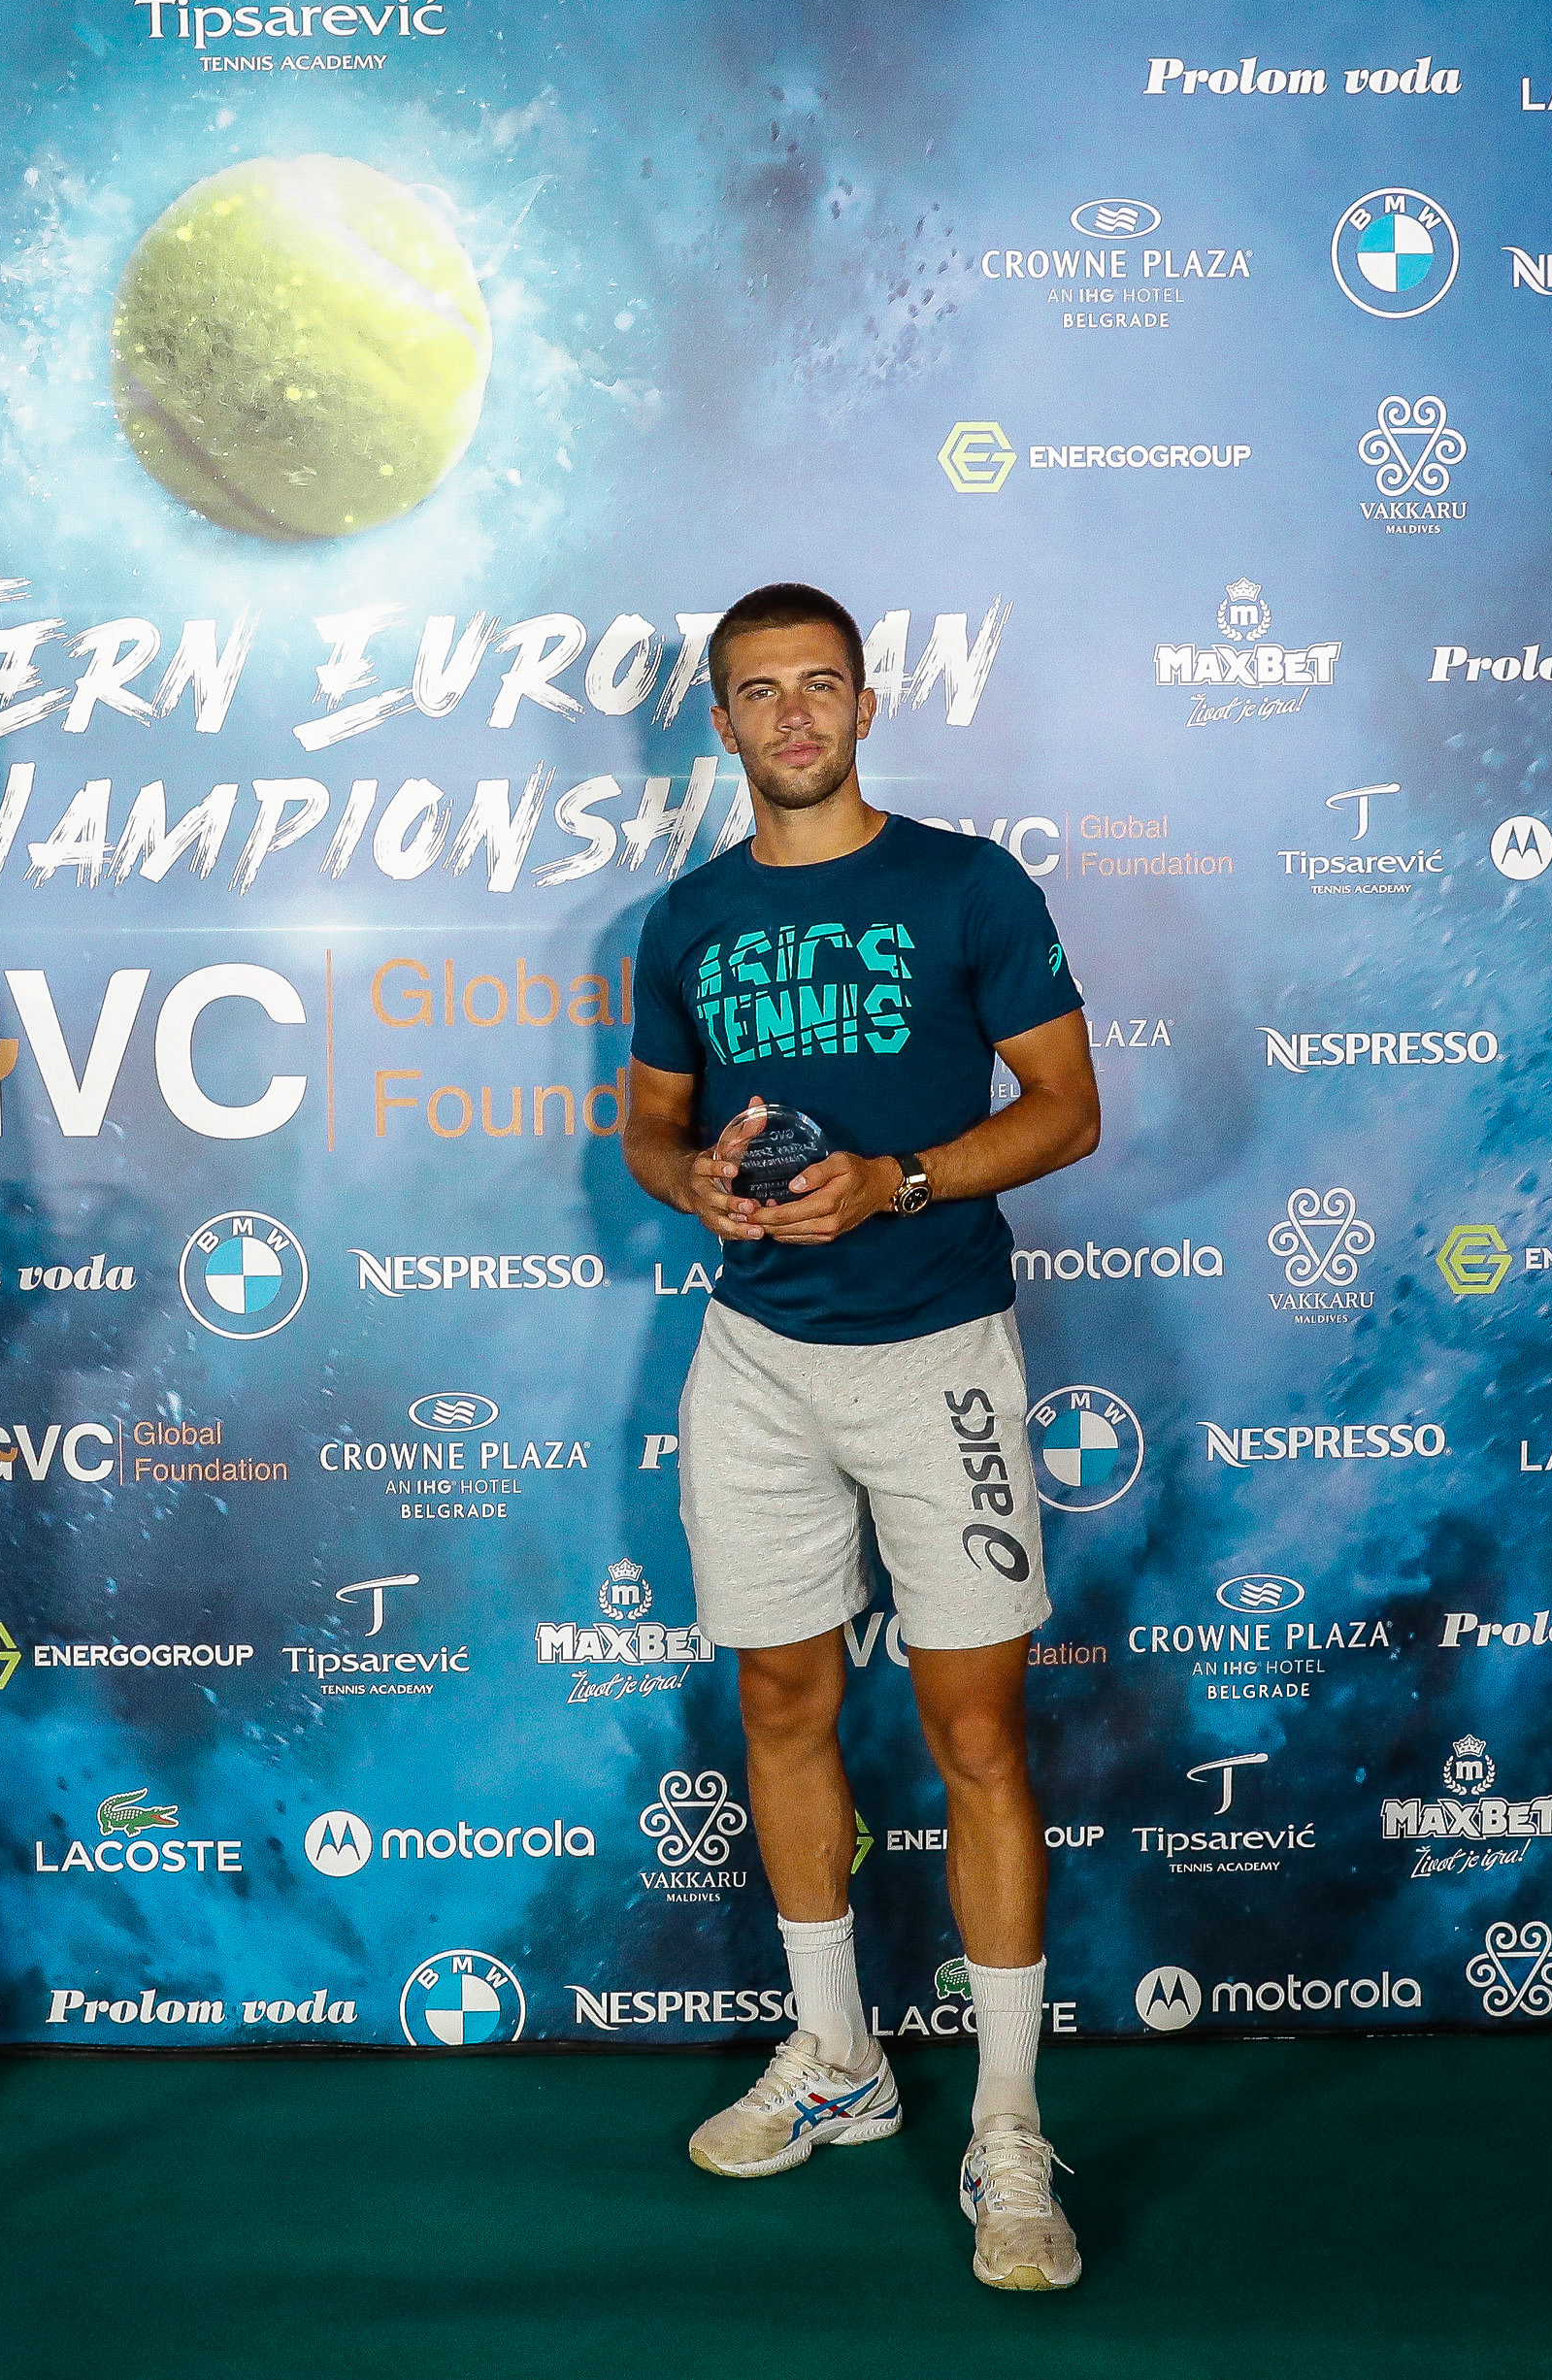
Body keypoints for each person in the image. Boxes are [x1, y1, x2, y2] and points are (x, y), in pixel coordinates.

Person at [621, 582, 1101, 2293]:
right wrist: (697, 1181)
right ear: (722, 720)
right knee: (780, 1698)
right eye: (760, 693)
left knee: (977, 1736)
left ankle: (1011, 2128)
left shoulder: (969, 883)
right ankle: (839, 2059)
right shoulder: (683, 917)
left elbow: (1066, 1106)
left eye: (819, 685)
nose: (793, 716)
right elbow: (651, 1133)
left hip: (937, 1358)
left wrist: (896, 1177)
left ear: (867, 702)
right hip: (753, 1356)